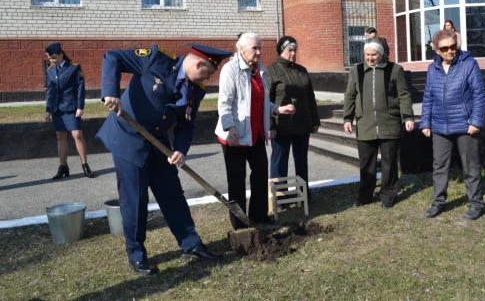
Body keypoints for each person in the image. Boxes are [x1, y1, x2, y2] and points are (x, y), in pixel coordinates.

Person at [96, 42, 233, 275]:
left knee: (172, 194)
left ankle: (191, 244)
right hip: (128, 139)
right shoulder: (155, 59)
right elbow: (112, 57)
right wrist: (110, 91)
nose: (208, 79)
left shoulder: (195, 90)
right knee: (135, 200)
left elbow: (187, 125)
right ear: (198, 63)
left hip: (159, 143)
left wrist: (181, 149)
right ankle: (136, 255)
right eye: (208, 73)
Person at [215, 33, 296, 230]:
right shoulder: (230, 69)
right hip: (235, 134)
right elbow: (224, 103)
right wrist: (230, 127)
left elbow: (259, 100)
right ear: (241, 49)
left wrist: (277, 109)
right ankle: (240, 222)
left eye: (260, 48)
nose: (259, 52)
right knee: (236, 179)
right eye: (255, 48)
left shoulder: (259, 70)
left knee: (260, 173)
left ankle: (259, 215)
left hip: (256, 133)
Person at [420, 30, 485, 221]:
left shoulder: (469, 64)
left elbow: (479, 94)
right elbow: (428, 97)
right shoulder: (432, 69)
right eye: (445, 48)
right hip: (440, 126)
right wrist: (425, 122)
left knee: (470, 166)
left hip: (465, 125)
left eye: (453, 46)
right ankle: (438, 202)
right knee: (439, 166)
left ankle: (476, 203)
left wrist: (475, 121)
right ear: (436, 50)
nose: (450, 51)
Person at [343, 37, 414, 209]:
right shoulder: (356, 71)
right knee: (367, 163)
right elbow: (350, 96)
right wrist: (347, 118)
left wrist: (408, 117)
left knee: (389, 163)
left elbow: (403, 95)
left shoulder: (395, 70)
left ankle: (388, 196)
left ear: (381, 54)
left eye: (373, 54)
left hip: (389, 123)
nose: (370, 58)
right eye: (367, 54)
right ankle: (365, 196)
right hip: (365, 124)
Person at [266, 36, 321, 203]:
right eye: (289, 50)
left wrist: (315, 120)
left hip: (303, 123)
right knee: (279, 162)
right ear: (281, 51)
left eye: (295, 50)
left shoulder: (302, 70)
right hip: (281, 126)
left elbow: (310, 97)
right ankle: (279, 198)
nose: (293, 53)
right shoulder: (272, 71)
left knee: (301, 161)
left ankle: (303, 194)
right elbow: (267, 99)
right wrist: (270, 124)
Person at [44, 42, 92, 180]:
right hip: (56, 108)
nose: (51, 60)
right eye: (49, 58)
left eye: (53, 57)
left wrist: (80, 107)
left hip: (71, 107)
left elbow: (80, 88)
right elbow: (50, 92)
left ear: (61, 54)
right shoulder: (50, 70)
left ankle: (85, 165)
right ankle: (63, 166)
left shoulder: (74, 67)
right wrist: (47, 110)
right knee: (60, 136)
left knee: (77, 135)